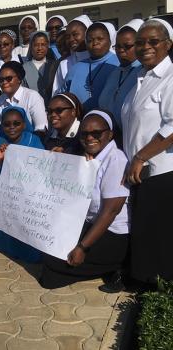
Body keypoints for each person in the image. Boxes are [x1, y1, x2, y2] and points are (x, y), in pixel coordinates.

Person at [40, 110, 129, 290]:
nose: (90, 138)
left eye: (96, 133)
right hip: (89, 224)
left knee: (53, 269)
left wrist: (82, 247)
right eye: (84, 134)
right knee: (47, 250)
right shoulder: (87, 157)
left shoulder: (116, 160)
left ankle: (115, 267)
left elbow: (110, 211)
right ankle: (100, 267)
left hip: (112, 234)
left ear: (109, 134)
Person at [121, 18, 173, 285]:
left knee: (158, 231)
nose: (145, 47)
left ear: (168, 44)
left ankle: (158, 288)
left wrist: (141, 156)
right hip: (140, 170)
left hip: (162, 169)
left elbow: (172, 126)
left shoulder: (170, 78)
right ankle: (143, 280)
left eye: (153, 41)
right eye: (140, 42)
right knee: (143, 228)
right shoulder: (141, 77)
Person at [0, 106, 44, 263]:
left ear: (24, 124)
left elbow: (43, 170)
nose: (12, 128)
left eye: (16, 123)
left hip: (29, 203)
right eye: (7, 124)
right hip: (8, 203)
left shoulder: (33, 141)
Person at [98, 19, 144, 131]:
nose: (121, 50)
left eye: (127, 46)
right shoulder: (115, 72)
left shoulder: (143, 72)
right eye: (117, 46)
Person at [64, 22, 119, 110]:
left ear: (109, 40)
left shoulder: (119, 64)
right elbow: (64, 97)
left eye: (100, 39)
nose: (95, 43)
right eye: (90, 40)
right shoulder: (75, 68)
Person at [0, 61, 48, 132]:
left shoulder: (32, 97)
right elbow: (0, 128)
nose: (4, 82)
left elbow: (41, 129)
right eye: (1, 80)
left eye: (9, 78)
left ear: (19, 79)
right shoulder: (0, 100)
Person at [52, 15, 93, 95]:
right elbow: (56, 93)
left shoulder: (100, 59)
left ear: (87, 33)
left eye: (75, 34)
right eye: (67, 36)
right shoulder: (64, 64)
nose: (71, 39)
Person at [22, 31, 59, 105]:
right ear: (31, 46)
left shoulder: (55, 65)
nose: (39, 48)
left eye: (43, 45)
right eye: (36, 45)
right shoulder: (24, 68)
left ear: (48, 45)